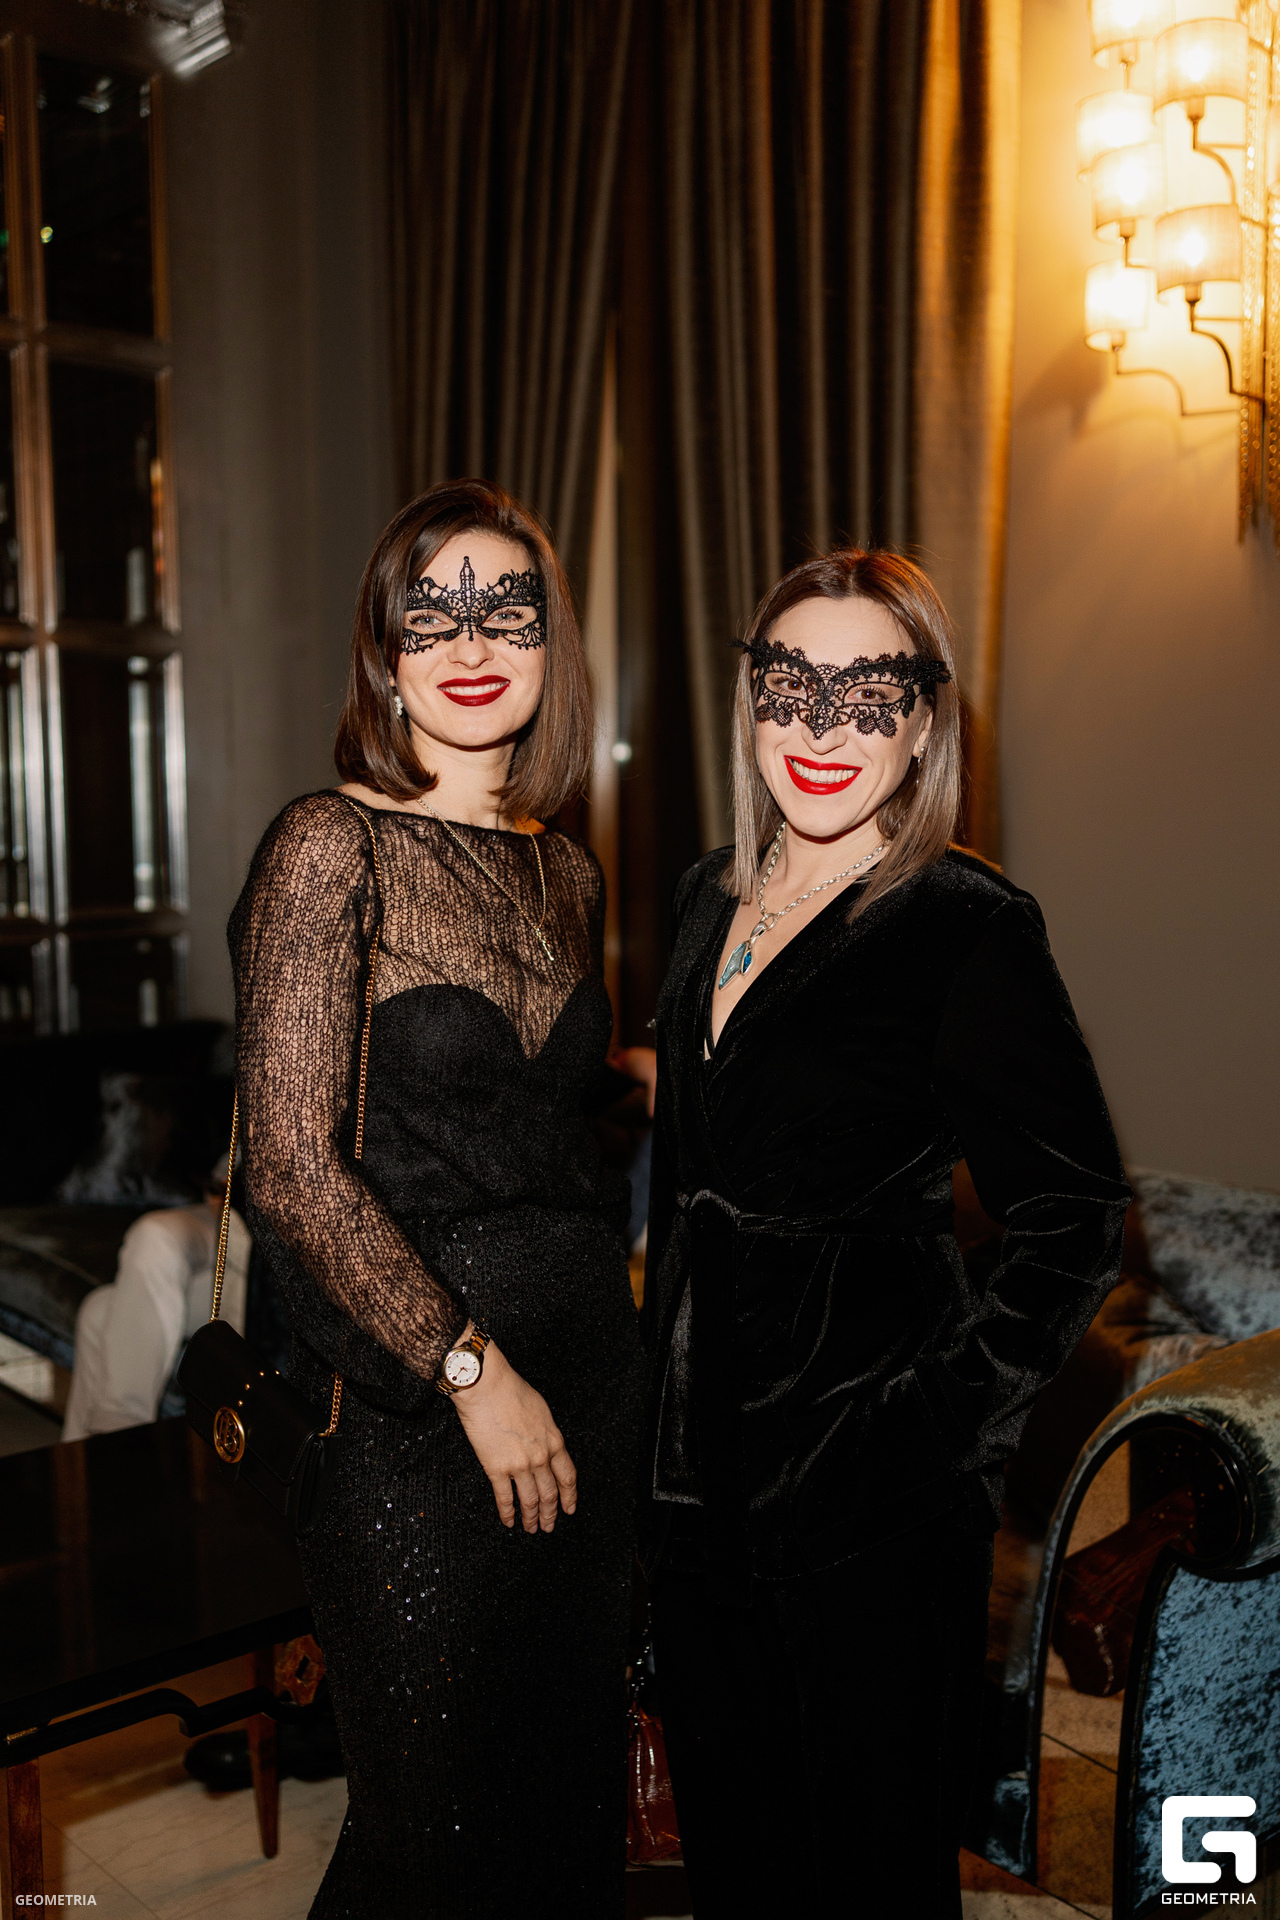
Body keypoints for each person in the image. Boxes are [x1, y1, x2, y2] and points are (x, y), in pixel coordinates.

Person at [640, 549, 1130, 1917]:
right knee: (735, 1853)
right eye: (791, 684)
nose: (821, 727)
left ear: (922, 724)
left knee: (867, 1870)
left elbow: (1077, 1215)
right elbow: (686, 1185)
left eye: (868, 694)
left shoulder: (966, 926)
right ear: (748, 703)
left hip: (872, 1499)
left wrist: (927, 1432)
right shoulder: (704, 895)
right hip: (694, 1481)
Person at [229, 479, 643, 1919]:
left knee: (565, 1816)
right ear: (384, 649)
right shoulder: (327, 845)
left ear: (549, 645)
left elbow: (543, 1135)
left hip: (590, 1392)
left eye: (506, 612)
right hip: (414, 1412)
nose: (470, 644)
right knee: (432, 1836)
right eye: (432, 613)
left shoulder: (569, 871)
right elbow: (286, 1163)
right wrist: (469, 1369)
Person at [62, 1166, 249, 1441]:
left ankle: (121, 1434)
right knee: (98, 1309)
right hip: (228, 1207)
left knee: (103, 1309)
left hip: (272, 1237)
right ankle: (85, 1452)